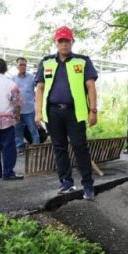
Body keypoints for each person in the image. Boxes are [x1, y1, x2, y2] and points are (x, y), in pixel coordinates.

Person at [34, 26, 98, 199]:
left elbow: (91, 86)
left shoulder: (83, 61)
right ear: (56, 43)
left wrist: (93, 110)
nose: (64, 44)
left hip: (75, 113)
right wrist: (38, 112)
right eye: (60, 41)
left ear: (72, 42)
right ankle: (66, 182)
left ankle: (88, 185)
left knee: (80, 147)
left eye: (67, 41)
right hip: (53, 113)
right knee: (59, 148)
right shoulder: (46, 62)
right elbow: (39, 88)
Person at [0, 58, 23, 181]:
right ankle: (8, 172)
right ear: (6, 69)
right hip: (6, 119)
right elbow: (17, 103)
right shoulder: (11, 84)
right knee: (8, 146)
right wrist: (17, 115)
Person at [13, 57, 40, 153]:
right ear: (17, 66)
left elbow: (40, 89)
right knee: (18, 131)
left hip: (30, 110)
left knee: (33, 130)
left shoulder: (32, 78)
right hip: (17, 111)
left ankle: (37, 149)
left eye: (24, 65)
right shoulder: (13, 79)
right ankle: (20, 149)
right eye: (20, 64)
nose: (23, 67)